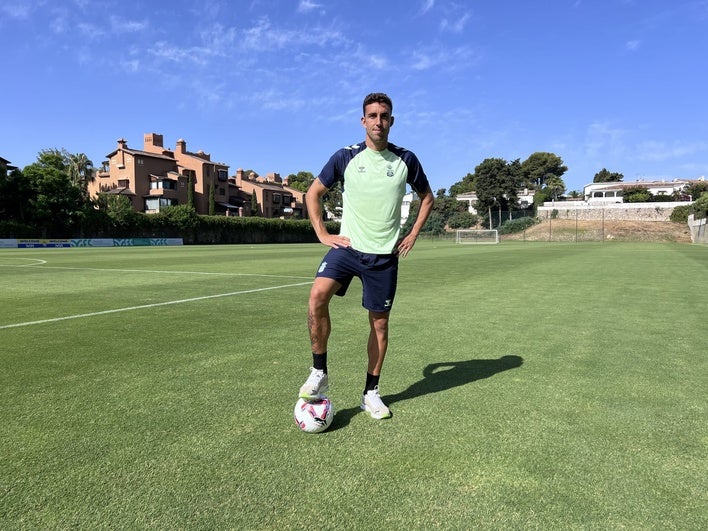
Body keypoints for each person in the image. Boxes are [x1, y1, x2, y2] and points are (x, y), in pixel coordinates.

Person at [298, 92, 434, 419]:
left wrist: (413, 233)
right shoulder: (346, 157)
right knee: (317, 296)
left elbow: (427, 197)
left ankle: (370, 393)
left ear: (392, 121)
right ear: (363, 121)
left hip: (384, 256)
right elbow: (313, 193)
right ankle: (319, 372)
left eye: (384, 116)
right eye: (372, 116)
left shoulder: (406, 160)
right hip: (347, 249)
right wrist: (322, 233)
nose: (378, 121)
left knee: (380, 325)